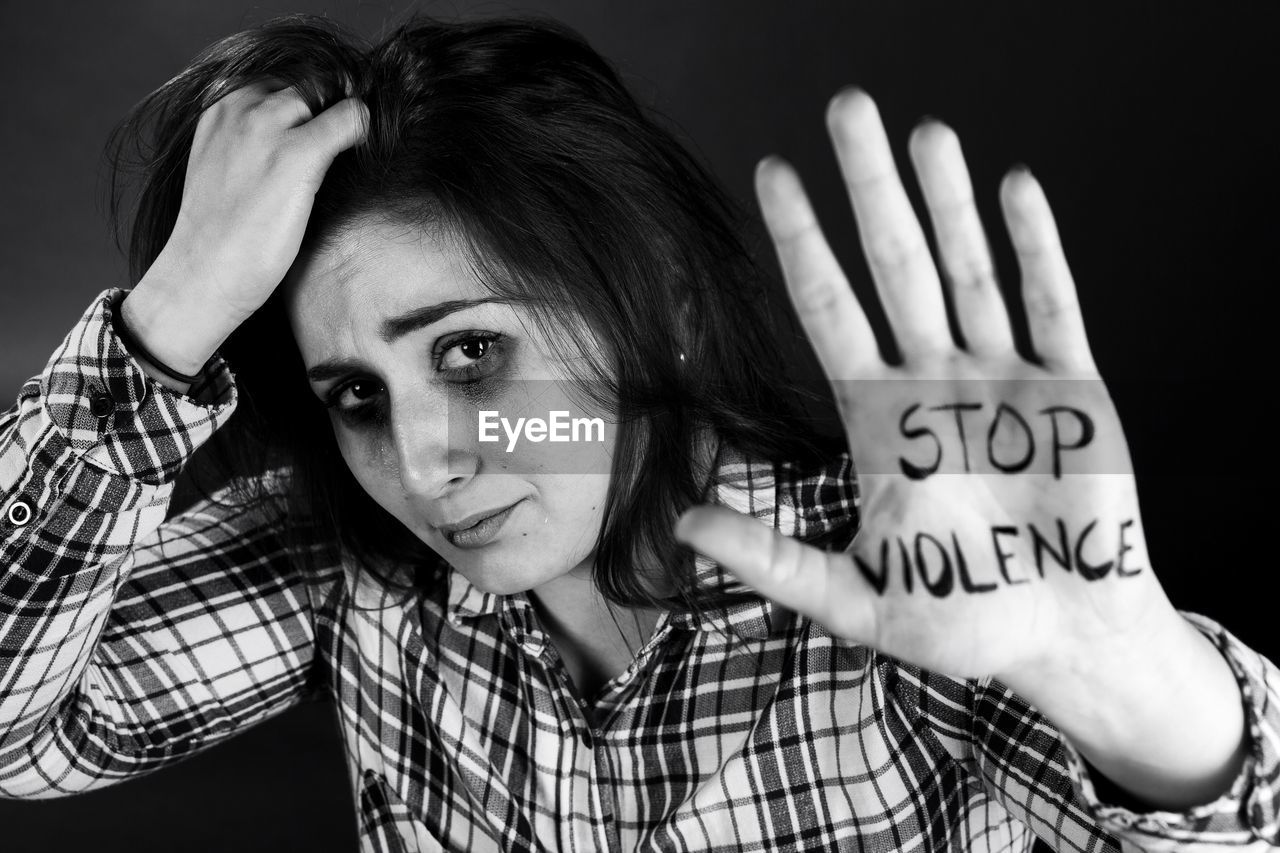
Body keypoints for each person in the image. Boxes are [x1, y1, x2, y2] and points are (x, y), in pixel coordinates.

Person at [0, 12, 1275, 852]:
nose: (426, 459)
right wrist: (168, 320)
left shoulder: (912, 590)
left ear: (655, 308)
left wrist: (1120, 669)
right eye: (354, 395)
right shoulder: (354, 571)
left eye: (469, 351)